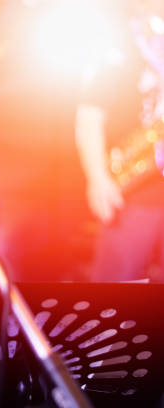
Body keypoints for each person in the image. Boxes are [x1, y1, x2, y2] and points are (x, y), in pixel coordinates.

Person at [75, 1, 164, 282]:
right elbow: (89, 115)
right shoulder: (117, 43)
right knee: (114, 294)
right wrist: (98, 178)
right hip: (134, 189)